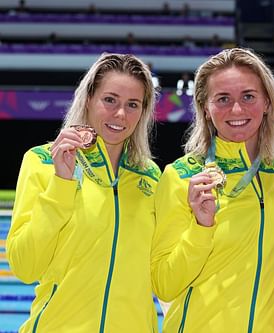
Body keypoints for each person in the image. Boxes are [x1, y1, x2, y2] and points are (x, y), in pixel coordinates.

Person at [6, 53, 161, 332]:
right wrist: (61, 185)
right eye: (110, 100)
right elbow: (25, 266)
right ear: (89, 98)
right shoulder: (42, 161)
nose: (121, 114)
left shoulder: (150, 177)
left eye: (133, 104)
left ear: (143, 111)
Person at [151, 47, 274, 332]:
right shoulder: (182, 176)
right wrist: (201, 226)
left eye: (248, 96)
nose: (236, 110)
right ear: (206, 109)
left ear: (268, 102)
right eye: (223, 99)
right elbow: (164, 284)